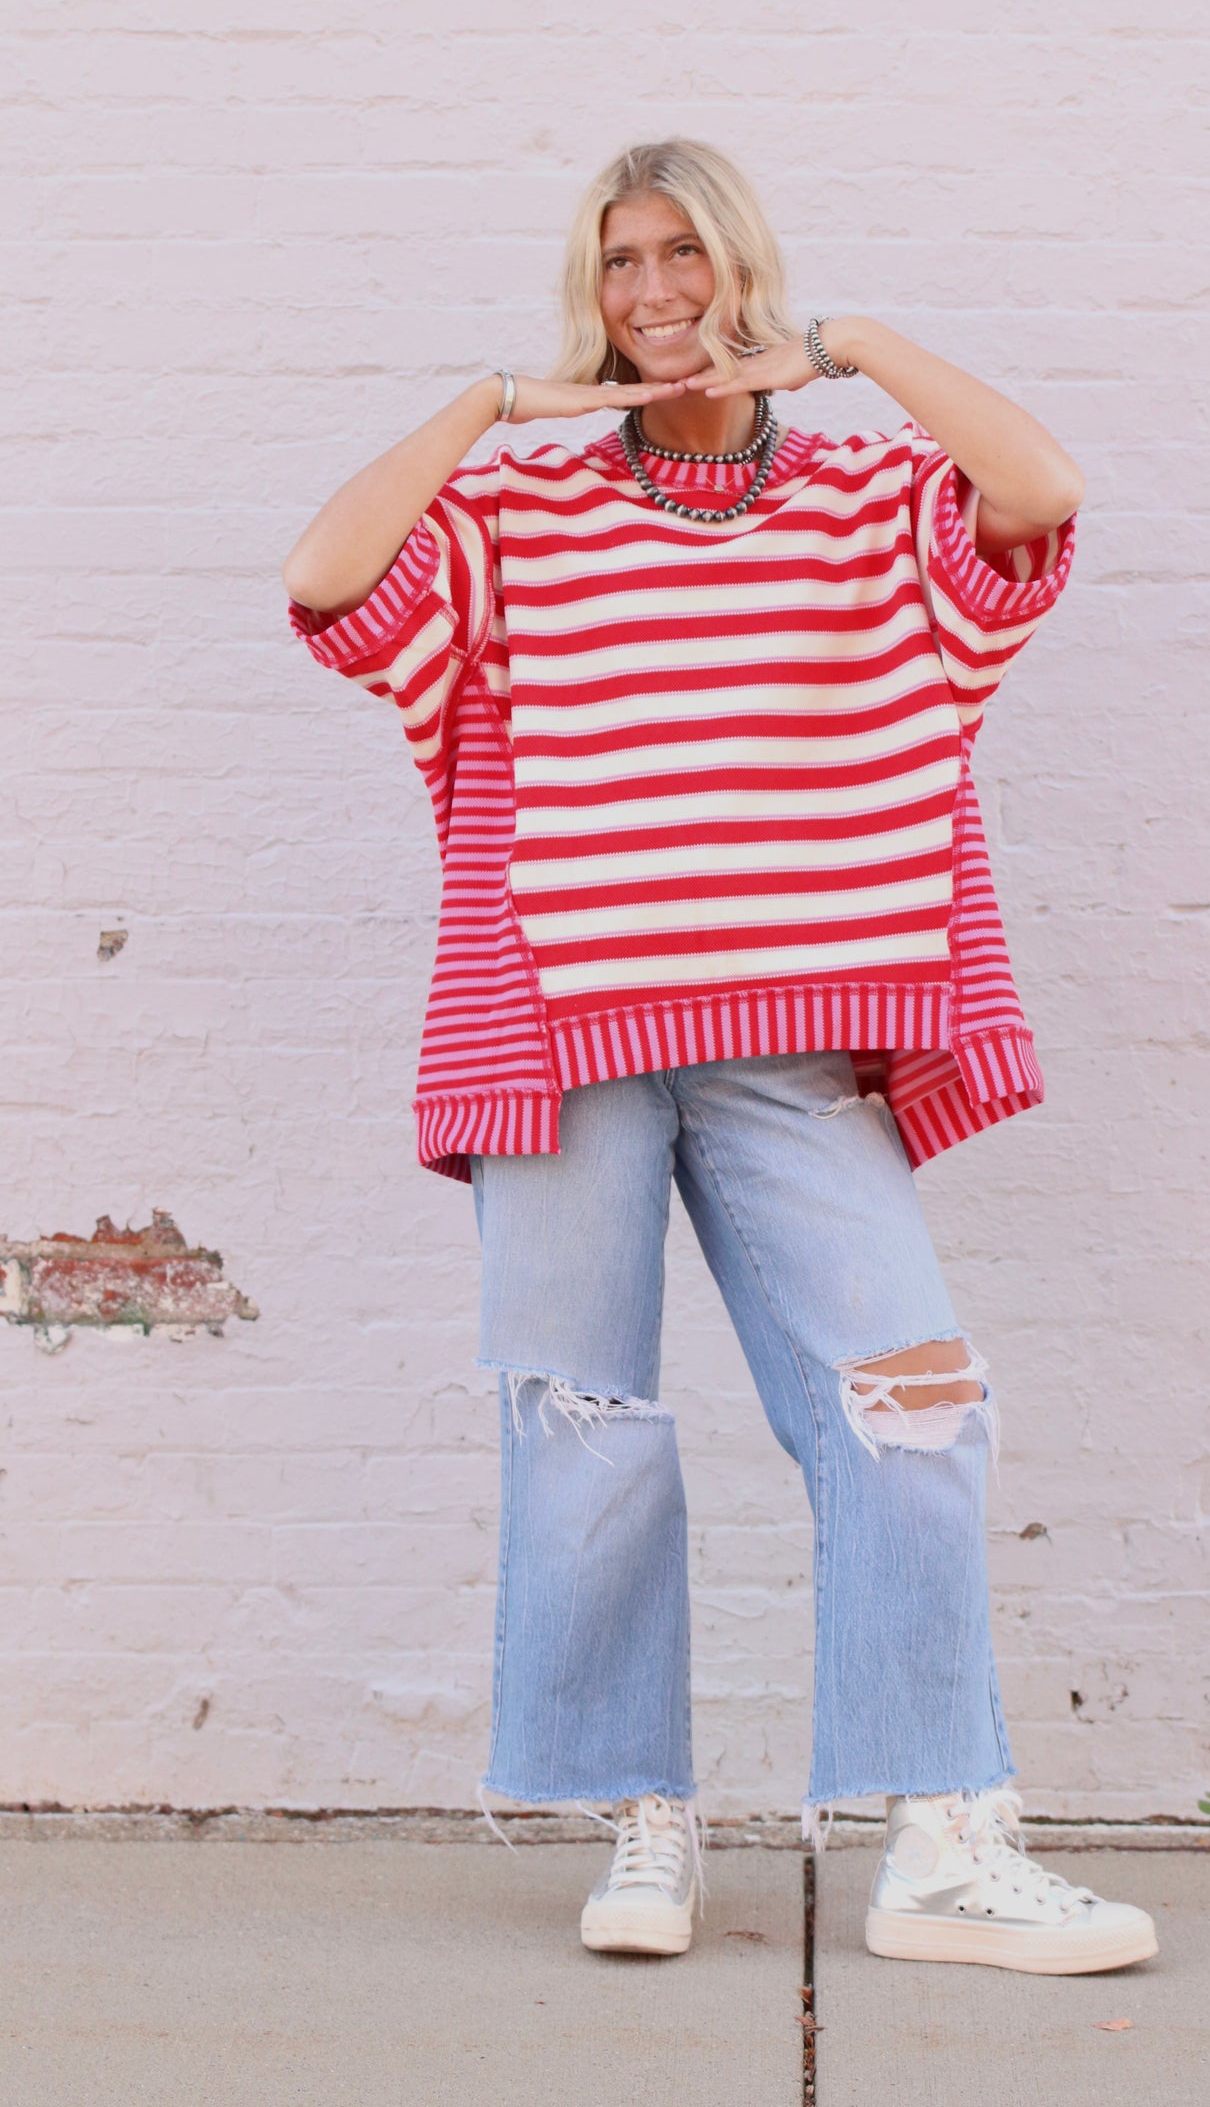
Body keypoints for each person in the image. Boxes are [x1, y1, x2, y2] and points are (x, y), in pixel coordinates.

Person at [283, 138, 1157, 1974]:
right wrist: (496, 400)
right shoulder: (522, 510)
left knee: (913, 1405)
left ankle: (937, 1842)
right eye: (620, 262)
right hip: (557, 1035)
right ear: (589, 293)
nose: (656, 288)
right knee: (587, 1432)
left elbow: (1042, 486)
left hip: (791, 1049)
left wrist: (839, 344)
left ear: (741, 269)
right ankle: (645, 1821)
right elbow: (324, 576)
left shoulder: (865, 496)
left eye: (685, 253)